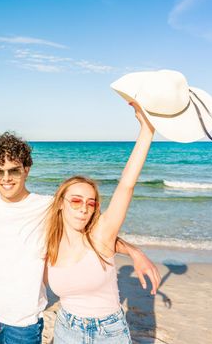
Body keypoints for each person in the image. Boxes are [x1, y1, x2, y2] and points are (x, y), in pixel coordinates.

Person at [0, 124, 160, 343]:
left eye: (14, 170)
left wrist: (133, 251)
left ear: (26, 169)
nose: (6, 178)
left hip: (23, 322)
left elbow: (96, 230)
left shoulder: (48, 207)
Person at [45, 103, 154, 343]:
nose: (84, 207)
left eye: (91, 202)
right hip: (66, 328)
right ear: (61, 203)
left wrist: (146, 130)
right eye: (76, 200)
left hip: (109, 332)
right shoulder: (49, 241)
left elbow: (126, 184)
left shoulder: (101, 235)